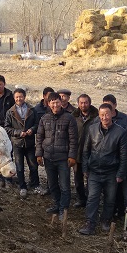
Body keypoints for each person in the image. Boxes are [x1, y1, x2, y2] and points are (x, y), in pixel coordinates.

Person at [78, 103, 127, 235]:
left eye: (107, 114)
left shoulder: (120, 132)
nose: (104, 117)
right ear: (99, 115)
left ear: (112, 114)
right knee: (92, 197)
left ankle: (106, 220)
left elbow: (124, 155)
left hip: (111, 172)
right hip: (94, 171)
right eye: (102, 115)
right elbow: (86, 150)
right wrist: (85, 168)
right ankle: (90, 223)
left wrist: (120, 173)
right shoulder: (92, 129)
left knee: (110, 199)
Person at [35, 92, 78, 220]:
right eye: (52, 102)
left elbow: (73, 139)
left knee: (64, 185)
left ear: (61, 102)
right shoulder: (44, 118)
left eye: (57, 102)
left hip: (63, 158)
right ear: (48, 104)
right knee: (52, 184)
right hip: (48, 157)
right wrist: (39, 154)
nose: (55, 105)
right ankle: (57, 204)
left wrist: (72, 156)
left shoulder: (69, 118)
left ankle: (63, 209)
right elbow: (39, 137)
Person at [4, 88, 39, 198]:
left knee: (33, 165)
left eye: (21, 96)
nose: (19, 99)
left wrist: (32, 130)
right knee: (19, 167)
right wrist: (19, 133)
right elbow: (7, 128)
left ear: (24, 97)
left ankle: (35, 185)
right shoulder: (10, 112)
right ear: (14, 98)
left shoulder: (32, 110)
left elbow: (37, 124)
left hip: (30, 142)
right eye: (17, 97)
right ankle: (22, 187)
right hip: (17, 143)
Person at [102, 94, 127, 218]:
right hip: (106, 158)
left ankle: (120, 210)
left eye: (109, 105)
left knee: (119, 187)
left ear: (115, 105)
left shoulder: (124, 119)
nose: (107, 108)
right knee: (108, 189)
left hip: (119, 158)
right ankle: (110, 212)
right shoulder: (101, 118)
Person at [72, 94, 99, 208]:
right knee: (78, 179)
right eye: (81, 103)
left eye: (86, 102)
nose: (83, 105)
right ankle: (81, 199)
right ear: (78, 104)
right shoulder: (73, 116)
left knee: (90, 179)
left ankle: (90, 201)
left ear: (90, 103)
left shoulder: (97, 117)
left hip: (91, 153)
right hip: (77, 153)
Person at [33, 86, 55, 195]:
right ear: (44, 96)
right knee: (40, 165)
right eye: (49, 96)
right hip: (41, 140)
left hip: (53, 141)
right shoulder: (36, 109)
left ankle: (51, 187)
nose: (50, 99)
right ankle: (37, 184)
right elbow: (35, 126)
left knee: (52, 167)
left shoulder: (55, 109)